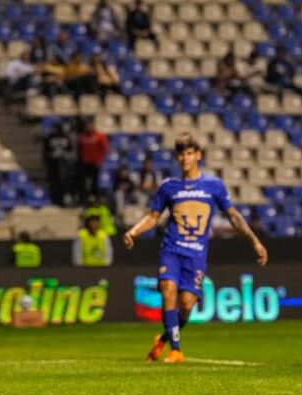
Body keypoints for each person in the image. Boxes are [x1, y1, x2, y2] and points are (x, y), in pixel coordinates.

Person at [124, 135, 268, 363]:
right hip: (171, 249)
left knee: (187, 305)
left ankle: (162, 340)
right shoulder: (169, 187)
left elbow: (233, 216)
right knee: (167, 289)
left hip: (196, 254)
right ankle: (176, 350)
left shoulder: (213, 186)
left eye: (189, 153)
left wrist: (254, 241)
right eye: (181, 154)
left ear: (198, 155)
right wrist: (134, 231)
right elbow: (153, 217)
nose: (185, 158)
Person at [76, 119, 109, 201]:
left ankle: (96, 198)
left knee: (95, 182)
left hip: (96, 163)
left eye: (90, 125)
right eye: (87, 126)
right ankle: (85, 198)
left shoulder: (100, 136)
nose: (89, 127)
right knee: (85, 182)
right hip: (85, 163)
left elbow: (105, 149)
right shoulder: (82, 137)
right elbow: (79, 149)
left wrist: (100, 160)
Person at [43, 122, 75, 206]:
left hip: (64, 163)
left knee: (64, 181)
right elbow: (46, 151)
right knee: (54, 182)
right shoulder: (49, 138)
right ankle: (54, 199)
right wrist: (49, 157)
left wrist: (65, 155)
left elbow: (70, 150)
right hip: (53, 163)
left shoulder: (66, 137)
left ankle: (64, 198)